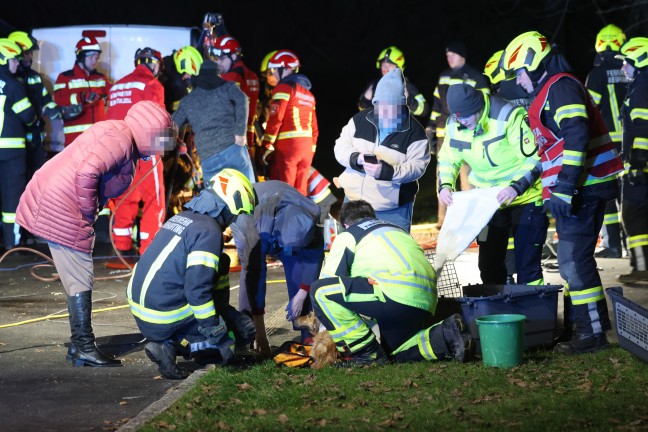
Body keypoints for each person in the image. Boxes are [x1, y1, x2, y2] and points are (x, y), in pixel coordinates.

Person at [16, 101, 175, 367]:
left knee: (78, 275)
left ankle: (81, 347)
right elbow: (87, 171)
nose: (163, 146)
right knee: (80, 277)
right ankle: (83, 347)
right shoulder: (121, 139)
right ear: (149, 131)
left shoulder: (121, 135)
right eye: (161, 138)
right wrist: (87, 212)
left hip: (57, 198)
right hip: (61, 204)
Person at [502, 31, 624, 354]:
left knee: (572, 261)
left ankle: (592, 334)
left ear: (529, 65)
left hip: (585, 187)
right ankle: (588, 327)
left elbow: (576, 133)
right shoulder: (550, 92)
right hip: (579, 189)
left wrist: (567, 188)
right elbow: (551, 154)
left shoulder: (560, 87)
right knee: (575, 260)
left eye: (518, 73)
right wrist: (520, 184)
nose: (518, 82)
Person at [128, 169, 257, 379]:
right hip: (164, 314)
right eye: (237, 213)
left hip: (144, 308)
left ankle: (172, 341)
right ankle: (172, 346)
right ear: (231, 202)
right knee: (240, 331)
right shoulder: (209, 232)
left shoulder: (183, 217)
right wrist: (219, 335)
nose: (234, 220)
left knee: (221, 268)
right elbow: (197, 291)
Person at [310, 200, 471, 365]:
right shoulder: (396, 230)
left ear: (345, 224)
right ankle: (445, 334)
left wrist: (328, 323)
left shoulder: (349, 234)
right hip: (426, 301)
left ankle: (366, 354)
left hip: (395, 296)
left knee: (319, 291)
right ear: (372, 216)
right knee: (391, 353)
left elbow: (329, 280)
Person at [437, 84, 547, 285]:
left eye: (466, 118)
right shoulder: (455, 124)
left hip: (525, 197)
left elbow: (536, 159)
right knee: (488, 264)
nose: (462, 123)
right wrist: (445, 185)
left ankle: (535, 312)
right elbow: (448, 159)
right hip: (488, 202)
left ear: (478, 108)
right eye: (458, 118)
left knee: (527, 265)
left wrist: (516, 187)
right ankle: (496, 312)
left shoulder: (508, 116)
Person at [230, 180, 324, 356]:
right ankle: (246, 335)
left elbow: (313, 259)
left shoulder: (310, 220)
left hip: (282, 218)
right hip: (253, 216)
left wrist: (303, 292)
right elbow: (255, 277)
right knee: (249, 274)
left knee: (297, 265)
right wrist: (260, 332)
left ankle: (308, 335)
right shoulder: (252, 226)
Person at [334, 68, 430, 232]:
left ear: (400, 106)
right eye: (380, 106)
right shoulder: (359, 120)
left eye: (390, 108)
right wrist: (357, 159)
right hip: (353, 203)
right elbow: (340, 147)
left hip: (391, 211)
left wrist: (387, 172)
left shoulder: (415, 132)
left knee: (392, 256)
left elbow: (417, 167)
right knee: (350, 254)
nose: (384, 113)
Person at [106, 47, 166, 258]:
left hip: (118, 151)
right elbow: (158, 121)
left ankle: (121, 247)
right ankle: (150, 249)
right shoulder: (152, 84)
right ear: (154, 64)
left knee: (125, 197)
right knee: (154, 199)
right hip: (145, 150)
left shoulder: (116, 87)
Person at [427, 40, 490, 228]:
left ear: (462, 55)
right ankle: (443, 219)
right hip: (444, 134)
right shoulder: (444, 76)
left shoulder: (474, 76)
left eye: (452, 54)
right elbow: (437, 104)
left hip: (470, 134)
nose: (449, 58)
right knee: (444, 175)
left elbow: (484, 104)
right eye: (447, 55)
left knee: (468, 177)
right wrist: (430, 126)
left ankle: (469, 219)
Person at [585, 24, 630, 259]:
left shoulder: (598, 74)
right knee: (633, 196)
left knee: (609, 197)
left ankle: (613, 246)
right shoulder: (632, 69)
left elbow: (588, 109)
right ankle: (636, 248)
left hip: (607, 145)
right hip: (635, 143)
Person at [172, 59, 253, 184]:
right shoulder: (227, 88)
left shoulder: (189, 100)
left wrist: (151, 148)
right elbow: (242, 100)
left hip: (208, 156)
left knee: (217, 198)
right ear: (218, 75)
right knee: (248, 192)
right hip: (232, 148)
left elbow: (172, 125)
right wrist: (240, 133)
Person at [260, 50, 318, 195]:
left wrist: (266, 144)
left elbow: (276, 119)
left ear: (285, 69)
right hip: (306, 148)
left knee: (286, 189)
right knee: (301, 191)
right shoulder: (309, 94)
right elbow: (314, 128)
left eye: (273, 70)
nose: (271, 75)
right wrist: (311, 149)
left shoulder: (283, 88)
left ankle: (287, 217)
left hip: (288, 147)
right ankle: (302, 217)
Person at [8, 31, 63, 176]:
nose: (30, 57)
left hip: (36, 140)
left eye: (31, 53)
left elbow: (46, 101)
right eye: (27, 53)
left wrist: (59, 111)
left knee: (35, 181)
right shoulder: (9, 80)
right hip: (17, 141)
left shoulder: (34, 77)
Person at [0, 38, 37, 251]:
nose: (17, 63)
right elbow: (28, 115)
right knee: (11, 201)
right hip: (11, 153)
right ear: (3, 60)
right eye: (14, 59)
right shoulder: (13, 85)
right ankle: (11, 245)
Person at [616, 37, 648, 284]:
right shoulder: (641, 83)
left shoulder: (642, 86)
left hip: (641, 167)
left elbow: (643, 126)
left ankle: (641, 267)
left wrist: (637, 162)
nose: (622, 68)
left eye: (626, 62)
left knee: (632, 215)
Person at [209, 36, 260, 159]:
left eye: (221, 58)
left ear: (234, 57)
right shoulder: (253, 76)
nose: (218, 62)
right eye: (216, 58)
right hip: (246, 136)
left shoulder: (231, 77)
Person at [53, 36, 109, 147]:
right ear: (81, 57)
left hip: (99, 139)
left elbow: (113, 93)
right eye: (91, 56)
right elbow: (59, 99)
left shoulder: (101, 78)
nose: (95, 60)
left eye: (97, 57)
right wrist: (82, 97)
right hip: (75, 141)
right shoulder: (65, 77)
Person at [358, 46, 429, 124]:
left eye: (389, 65)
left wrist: (409, 99)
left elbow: (424, 111)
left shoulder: (407, 86)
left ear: (398, 68)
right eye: (383, 64)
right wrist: (365, 100)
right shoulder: (374, 85)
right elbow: (363, 110)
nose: (385, 68)